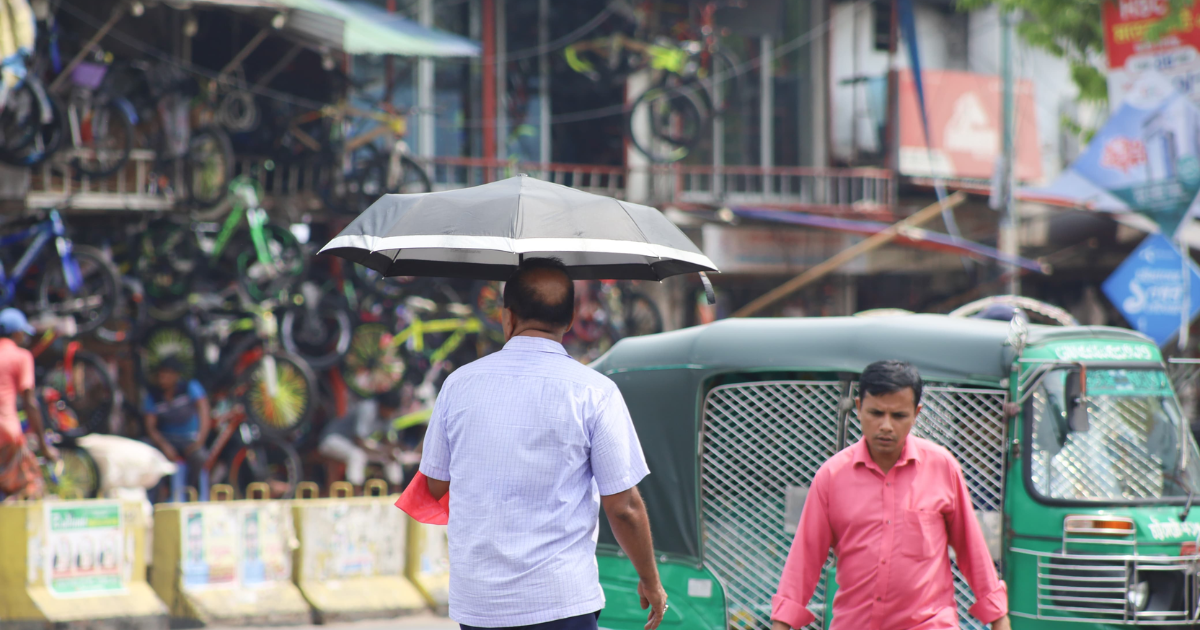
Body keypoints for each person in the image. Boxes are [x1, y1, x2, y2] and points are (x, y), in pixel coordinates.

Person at [420, 257, 667, 630]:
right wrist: (651, 581)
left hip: (479, 605)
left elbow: (435, 486)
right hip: (560, 600)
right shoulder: (595, 392)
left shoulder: (458, 385)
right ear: (569, 322)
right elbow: (625, 508)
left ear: (507, 317)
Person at [771, 360, 1010, 630]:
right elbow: (805, 558)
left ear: (916, 413)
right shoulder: (832, 476)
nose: (886, 426)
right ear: (859, 408)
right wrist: (782, 624)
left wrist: (999, 620)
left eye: (898, 416)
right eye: (876, 413)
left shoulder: (942, 467)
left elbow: (972, 549)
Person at [0, 307, 55, 499]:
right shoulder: (21, 356)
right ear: (16, 333)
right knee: (29, 488)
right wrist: (44, 444)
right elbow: (30, 402)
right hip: (6, 433)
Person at [317, 389, 412, 487]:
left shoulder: (389, 415)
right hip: (333, 439)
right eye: (389, 411)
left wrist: (394, 450)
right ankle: (355, 492)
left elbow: (388, 440)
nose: (390, 414)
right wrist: (381, 452)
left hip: (353, 443)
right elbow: (358, 440)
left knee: (393, 456)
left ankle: (396, 491)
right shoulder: (367, 409)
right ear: (382, 406)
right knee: (357, 455)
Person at [142, 356, 211, 490]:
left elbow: (204, 412)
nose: (162, 377)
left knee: (199, 457)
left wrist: (199, 441)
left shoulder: (190, 387)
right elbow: (150, 427)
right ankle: (157, 494)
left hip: (189, 439)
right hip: (166, 439)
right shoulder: (153, 395)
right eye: (160, 373)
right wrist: (164, 445)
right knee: (146, 449)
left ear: (176, 375)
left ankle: (191, 491)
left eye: (166, 373)